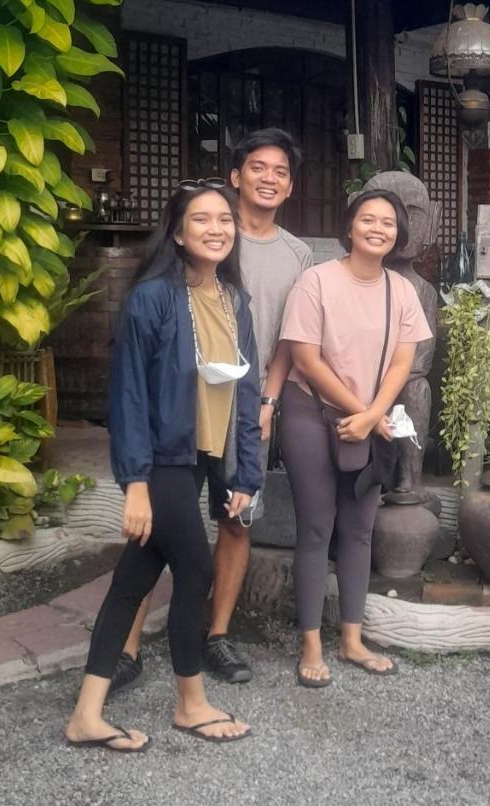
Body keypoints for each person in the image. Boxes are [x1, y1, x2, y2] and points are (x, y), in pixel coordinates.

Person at [113, 129, 313, 690]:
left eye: (280, 170)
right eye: (257, 167)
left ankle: (216, 636)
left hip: (246, 407)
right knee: (158, 526)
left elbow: (289, 338)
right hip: (182, 410)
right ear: (235, 176)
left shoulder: (297, 254)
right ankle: (126, 646)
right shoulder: (208, 236)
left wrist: (268, 400)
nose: (268, 178)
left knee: (235, 519)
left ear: (289, 185)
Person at [64, 182, 261, 751]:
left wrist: (244, 474)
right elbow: (126, 396)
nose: (217, 228)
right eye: (202, 219)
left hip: (203, 459)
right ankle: (190, 703)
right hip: (163, 460)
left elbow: (246, 395)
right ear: (178, 233)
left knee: (132, 582)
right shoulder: (151, 297)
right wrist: (135, 484)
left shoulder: (235, 301)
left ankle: (86, 716)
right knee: (196, 570)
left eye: (224, 218)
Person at [279, 189, 432, 687]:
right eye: (368, 219)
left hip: (371, 418)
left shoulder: (401, 291)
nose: (378, 228)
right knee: (317, 529)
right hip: (311, 413)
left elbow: (402, 363)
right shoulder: (316, 281)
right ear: (349, 228)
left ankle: (352, 639)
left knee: (361, 531)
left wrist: (372, 414)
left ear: (398, 235)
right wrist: (361, 411)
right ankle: (310, 644)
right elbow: (305, 358)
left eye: (388, 223)